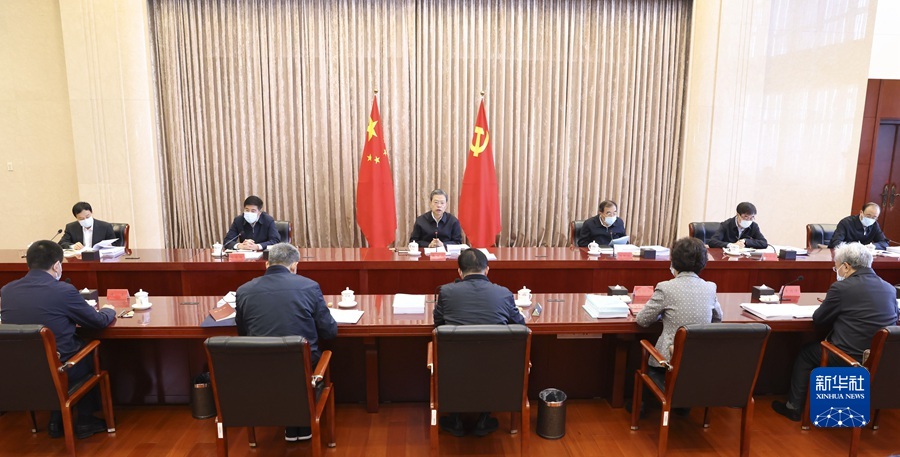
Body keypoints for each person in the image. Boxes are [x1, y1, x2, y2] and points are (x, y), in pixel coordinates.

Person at [0, 240, 117, 439]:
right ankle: (85, 421)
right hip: (61, 370)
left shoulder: (7, 290)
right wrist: (108, 310)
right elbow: (97, 322)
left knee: (52, 354)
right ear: (56, 265)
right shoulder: (63, 290)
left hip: (21, 371)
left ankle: (56, 420)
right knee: (87, 351)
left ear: (28, 264)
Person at [772, 242, 898, 422]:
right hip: (880, 360)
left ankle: (793, 407)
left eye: (836, 267)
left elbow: (819, 320)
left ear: (846, 266)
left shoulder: (842, 288)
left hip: (849, 358)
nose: (836, 271)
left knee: (806, 353)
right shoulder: (890, 289)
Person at [234, 242, 338, 441]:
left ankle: (287, 422)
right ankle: (301, 421)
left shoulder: (244, 290)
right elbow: (329, 332)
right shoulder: (309, 286)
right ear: (294, 266)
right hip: (303, 369)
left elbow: (243, 332)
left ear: (266, 264)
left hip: (261, 369)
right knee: (308, 359)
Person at [433, 248, 526, 437]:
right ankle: (484, 417)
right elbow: (520, 324)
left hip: (454, 371)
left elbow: (438, 323)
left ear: (459, 272)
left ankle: (455, 418)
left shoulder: (447, 292)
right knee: (489, 357)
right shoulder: (503, 293)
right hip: (496, 371)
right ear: (487, 270)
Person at [634, 237, 723, 415]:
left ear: (674, 261)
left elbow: (642, 320)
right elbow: (718, 318)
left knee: (644, 355)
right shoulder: (710, 287)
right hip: (699, 361)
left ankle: (644, 406)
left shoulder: (666, 288)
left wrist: (662, 314)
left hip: (668, 363)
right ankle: (684, 405)